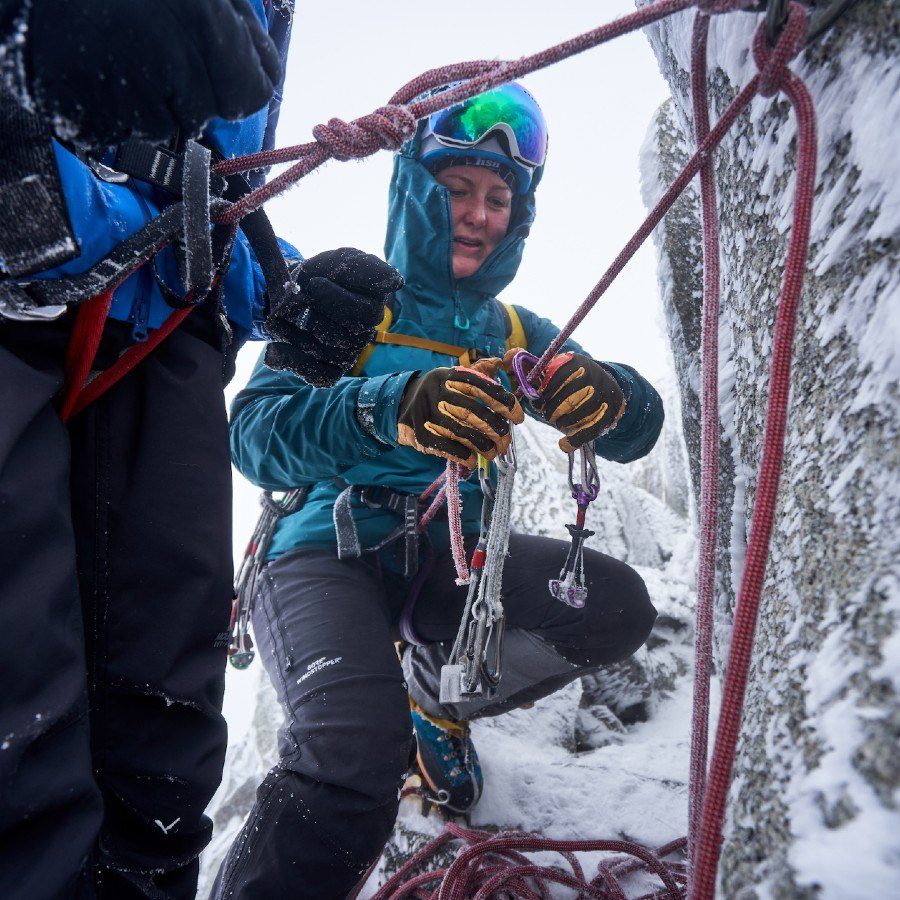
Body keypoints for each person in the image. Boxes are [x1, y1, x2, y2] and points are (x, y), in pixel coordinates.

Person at [217, 82, 664, 899]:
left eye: (499, 198)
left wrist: (612, 396)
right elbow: (255, 435)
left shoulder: (513, 333)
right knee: (352, 755)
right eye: (456, 189)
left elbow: (638, 427)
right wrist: (389, 408)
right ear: (415, 191)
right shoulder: (351, 305)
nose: (479, 214)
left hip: (451, 563)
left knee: (616, 605)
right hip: (322, 550)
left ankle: (434, 699)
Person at [0, 1, 398, 897]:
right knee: (14, 756)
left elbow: (193, 182)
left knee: (163, 764)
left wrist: (280, 289)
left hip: (165, 334)